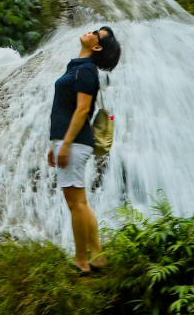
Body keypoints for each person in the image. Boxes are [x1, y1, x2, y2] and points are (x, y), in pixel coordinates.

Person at [47, 25, 121, 274]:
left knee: (76, 204)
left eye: (95, 35)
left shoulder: (87, 71)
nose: (90, 32)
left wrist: (66, 144)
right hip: (69, 140)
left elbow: (81, 111)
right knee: (80, 202)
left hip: (75, 142)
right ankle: (97, 256)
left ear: (96, 46)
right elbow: (65, 108)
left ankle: (81, 260)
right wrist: (54, 144)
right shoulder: (77, 67)